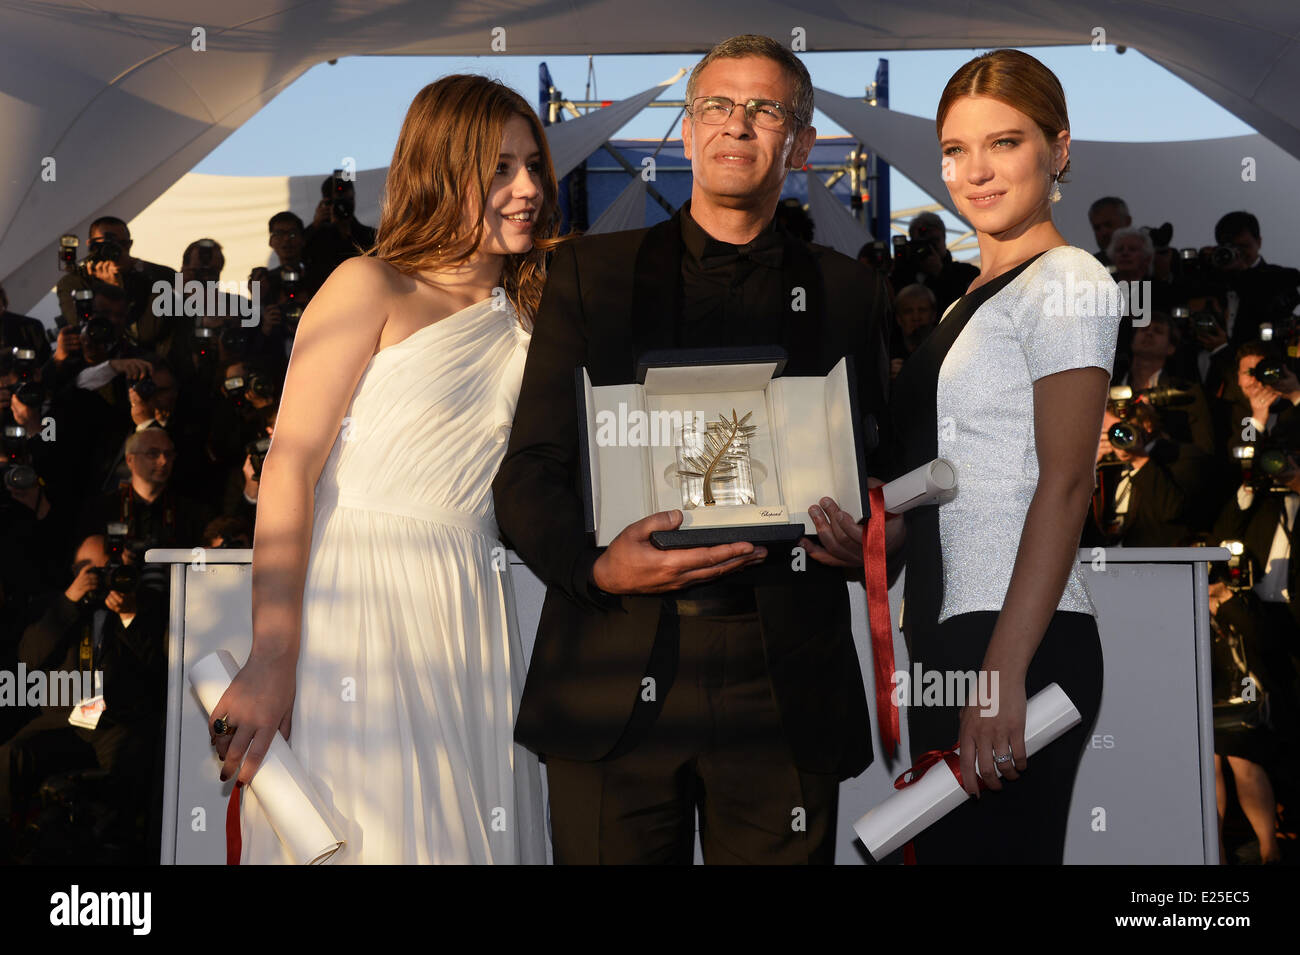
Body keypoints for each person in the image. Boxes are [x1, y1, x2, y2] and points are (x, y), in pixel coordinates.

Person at [494, 34, 900, 865]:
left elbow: (889, 477)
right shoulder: (587, 277)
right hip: (614, 663)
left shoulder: (852, 291)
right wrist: (597, 567)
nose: (736, 126)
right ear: (686, 132)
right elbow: (530, 471)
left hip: (783, 680)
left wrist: (868, 546)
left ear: (800, 143)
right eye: (716, 105)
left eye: (764, 110)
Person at [208, 74, 559, 864]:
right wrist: (272, 656)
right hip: (360, 608)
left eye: (533, 164)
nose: (528, 188)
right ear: (441, 169)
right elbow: (291, 467)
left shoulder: (541, 313)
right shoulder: (369, 284)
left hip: (471, 611)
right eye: (500, 167)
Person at [891, 48, 1122, 863]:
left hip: (1014, 637)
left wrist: (999, 675)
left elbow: (1065, 483)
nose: (975, 171)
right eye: (956, 150)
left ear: (1058, 150)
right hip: (955, 634)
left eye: (1006, 143)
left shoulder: (1068, 278)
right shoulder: (967, 298)